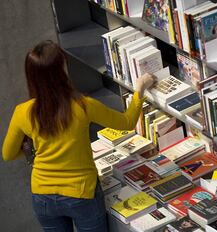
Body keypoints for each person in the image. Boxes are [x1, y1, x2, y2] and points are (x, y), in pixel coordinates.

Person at [1, 40, 155, 232]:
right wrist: (139, 89)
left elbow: (8, 154)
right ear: (61, 72)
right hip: (82, 193)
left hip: (42, 195)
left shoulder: (22, 112)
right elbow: (127, 123)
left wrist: (32, 149)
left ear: (31, 76)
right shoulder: (83, 105)